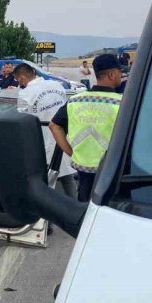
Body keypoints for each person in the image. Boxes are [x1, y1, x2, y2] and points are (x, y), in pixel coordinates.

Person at [49, 54, 124, 202]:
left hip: (83, 170)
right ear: (111, 74)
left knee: (85, 213)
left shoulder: (75, 100)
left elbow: (54, 125)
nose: (122, 76)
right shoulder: (122, 103)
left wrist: (71, 152)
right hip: (112, 172)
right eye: (120, 72)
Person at [14, 63, 76, 198]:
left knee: (47, 182)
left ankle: (48, 212)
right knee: (67, 176)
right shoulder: (56, 85)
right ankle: (78, 208)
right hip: (63, 136)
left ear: (22, 79)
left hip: (42, 141)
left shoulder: (25, 94)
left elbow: (22, 121)